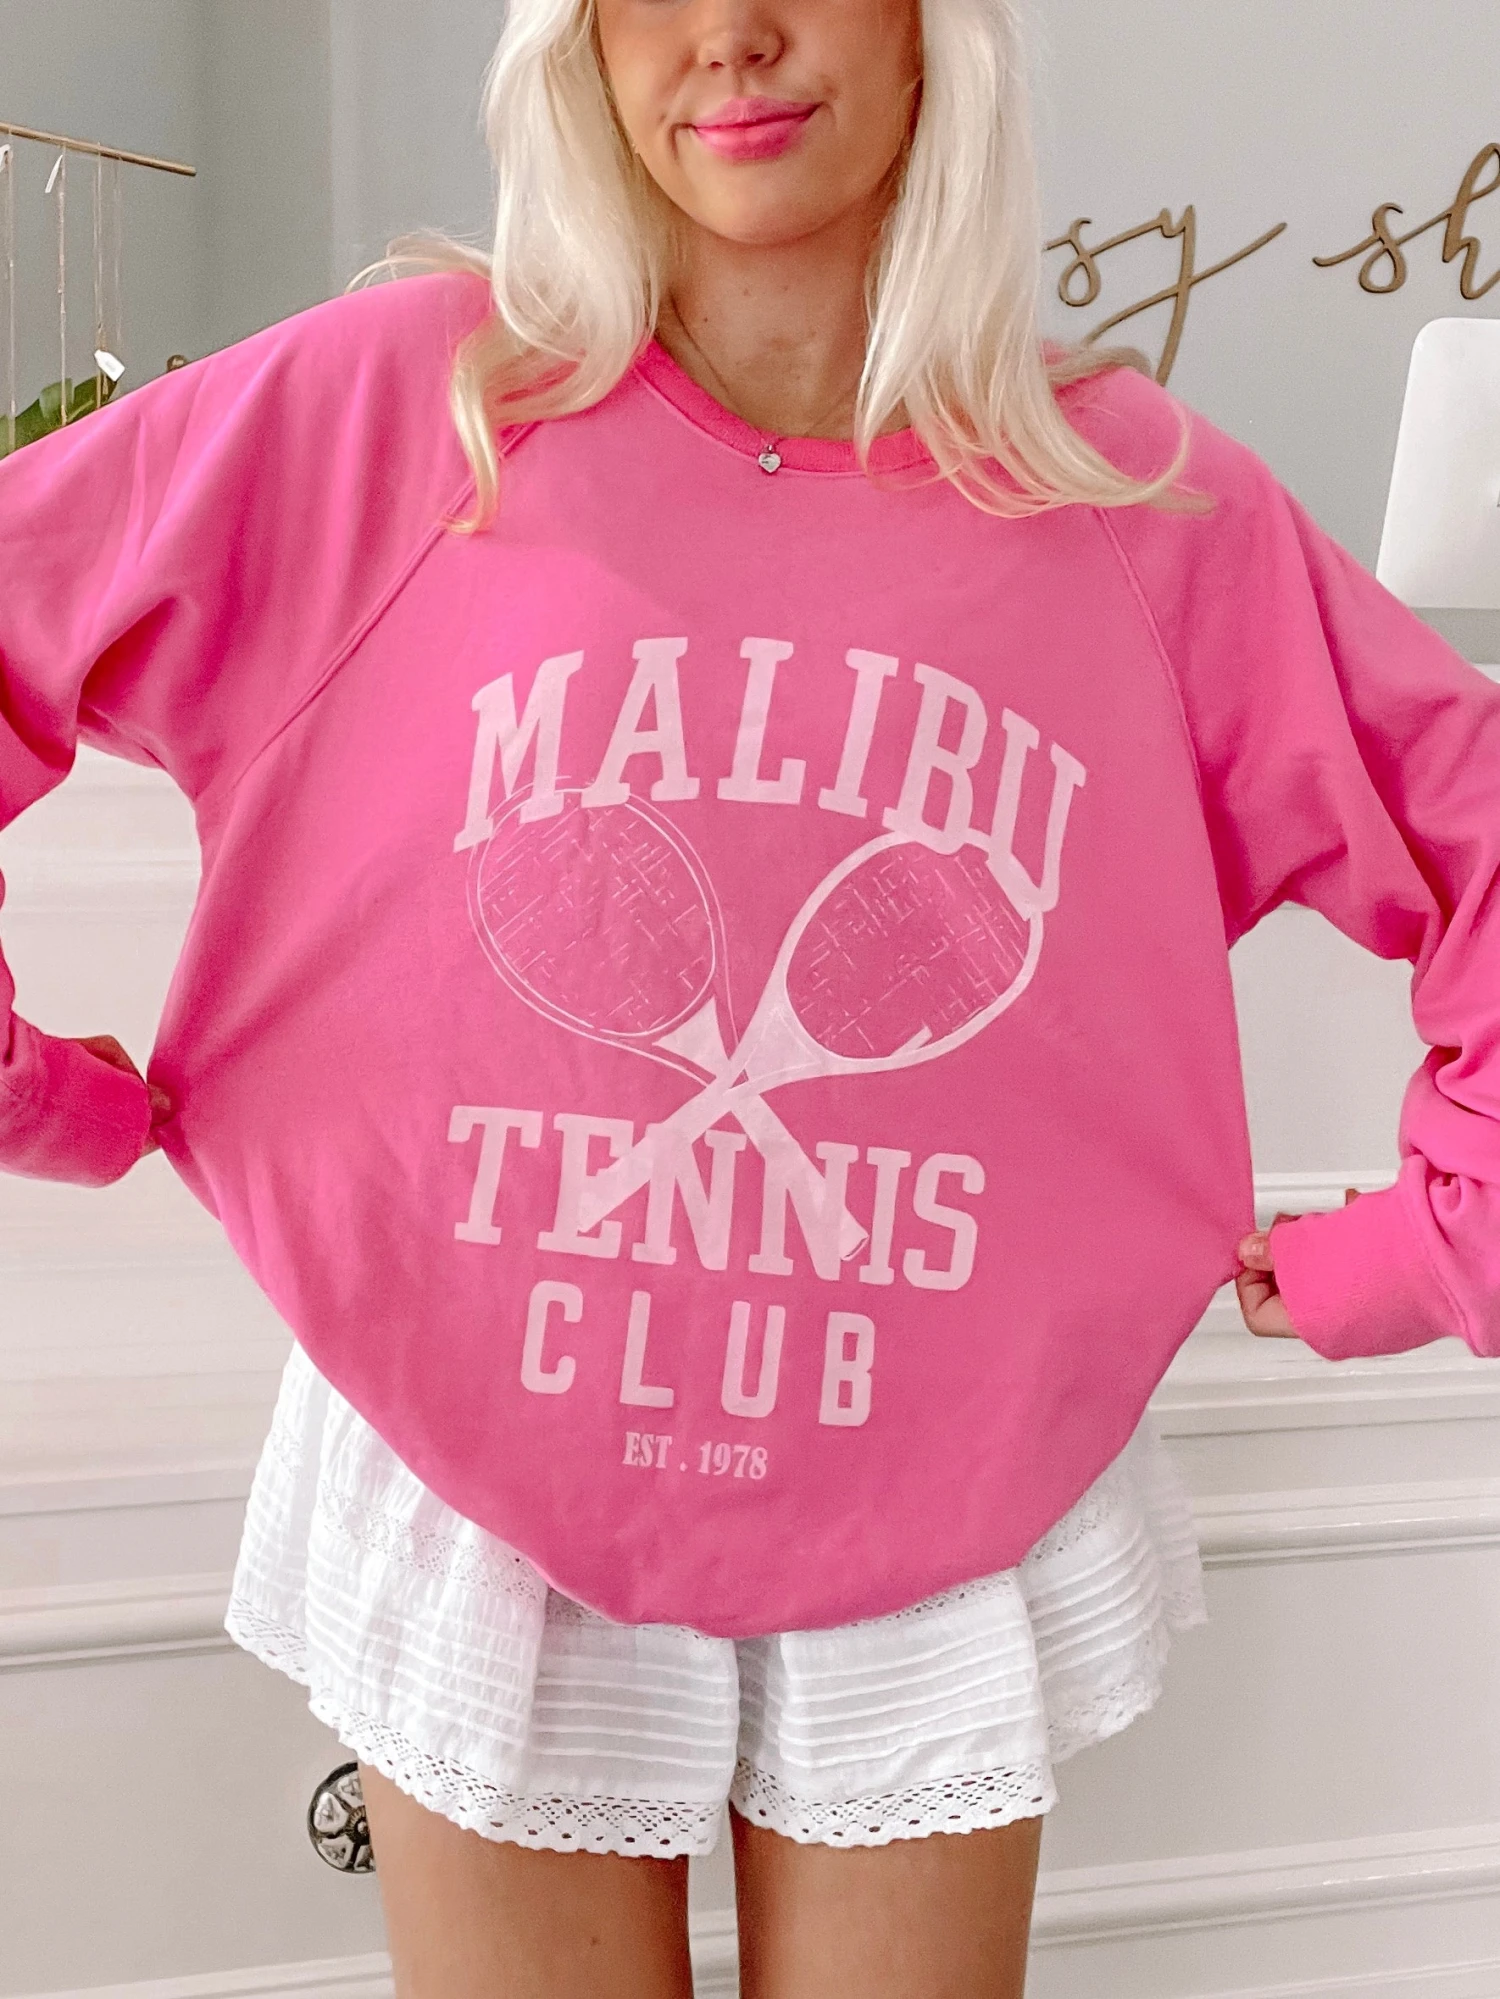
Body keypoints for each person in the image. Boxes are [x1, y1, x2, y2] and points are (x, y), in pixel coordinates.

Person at [4, 0, 1500, 1993]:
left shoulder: (1132, 507)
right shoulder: (403, 412)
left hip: (943, 1472)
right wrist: (46, 1102)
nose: (729, 34)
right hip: (472, 1444)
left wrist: (1415, 1251)